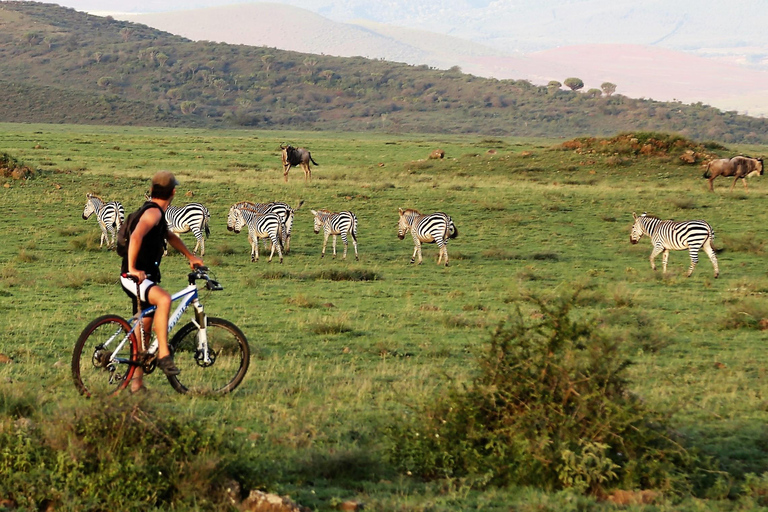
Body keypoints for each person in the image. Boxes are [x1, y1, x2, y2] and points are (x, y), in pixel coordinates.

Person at [119, 171, 204, 392]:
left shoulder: (156, 213)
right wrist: (132, 269)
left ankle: (137, 385)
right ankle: (165, 355)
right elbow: (136, 236)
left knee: (144, 329)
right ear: (173, 192)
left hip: (144, 277)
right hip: (136, 277)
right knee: (164, 299)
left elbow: (169, 236)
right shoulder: (154, 213)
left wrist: (190, 256)